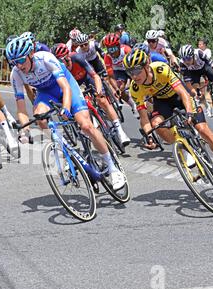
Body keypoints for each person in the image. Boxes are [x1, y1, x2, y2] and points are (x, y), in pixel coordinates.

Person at [7, 36, 126, 189]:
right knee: (40, 118)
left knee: (86, 126)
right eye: (14, 62)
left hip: (66, 87)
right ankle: (62, 147)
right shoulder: (16, 74)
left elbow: (65, 88)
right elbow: (21, 107)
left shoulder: (46, 59)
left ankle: (113, 168)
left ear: (30, 54)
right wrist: (24, 130)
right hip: (45, 93)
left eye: (21, 60)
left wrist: (66, 108)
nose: (19, 65)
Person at [124, 49, 213, 185]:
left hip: (179, 96)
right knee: (156, 125)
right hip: (162, 102)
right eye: (130, 73)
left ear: (147, 66)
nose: (134, 76)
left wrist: (189, 112)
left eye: (136, 71)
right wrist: (149, 137)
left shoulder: (160, 69)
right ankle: (184, 146)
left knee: (202, 129)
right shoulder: (135, 89)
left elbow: (182, 92)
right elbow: (143, 117)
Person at [52, 43, 131, 146]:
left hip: (87, 78)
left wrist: (99, 92)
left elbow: (95, 76)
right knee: (83, 108)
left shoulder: (77, 57)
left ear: (68, 58)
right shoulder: (58, 70)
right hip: (75, 86)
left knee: (102, 100)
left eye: (61, 61)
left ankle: (120, 131)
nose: (60, 64)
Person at [178, 44, 213, 118]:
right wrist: (195, 92)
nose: (186, 61)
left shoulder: (199, 54)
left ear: (193, 55)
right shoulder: (182, 64)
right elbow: (188, 83)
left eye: (188, 58)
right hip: (194, 74)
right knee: (197, 92)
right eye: (184, 59)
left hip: (205, 68)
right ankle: (209, 107)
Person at [103, 33, 139, 119]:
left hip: (130, 67)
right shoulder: (107, 57)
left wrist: (133, 80)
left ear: (118, 46)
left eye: (114, 48)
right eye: (109, 49)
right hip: (119, 71)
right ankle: (133, 105)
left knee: (138, 81)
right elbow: (111, 76)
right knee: (120, 89)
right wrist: (117, 89)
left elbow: (136, 65)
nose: (112, 52)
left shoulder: (126, 50)